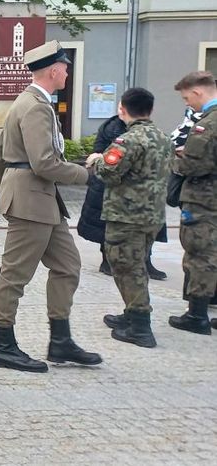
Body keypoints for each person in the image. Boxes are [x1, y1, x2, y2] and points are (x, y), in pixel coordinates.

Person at [0, 41, 100, 373]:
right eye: (64, 67)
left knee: (67, 266)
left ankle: (60, 340)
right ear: (53, 70)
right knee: (15, 274)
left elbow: (1, 153)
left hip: (42, 200)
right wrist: (86, 175)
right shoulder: (35, 106)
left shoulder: (31, 102)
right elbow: (44, 163)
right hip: (31, 199)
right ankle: (2, 346)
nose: (67, 71)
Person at [85, 87, 172, 348]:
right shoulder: (163, 137)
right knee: (138, 265)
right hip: (152, 215)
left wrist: (96, 159)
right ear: (151, 109)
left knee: (126, 267)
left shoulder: (128, 140)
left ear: (122, 109)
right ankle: (132, 313)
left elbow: (109, 171)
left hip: (127, 216)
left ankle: (140, 327)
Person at [77, 115, 169, 279]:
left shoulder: (151, 133)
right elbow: (103, 158)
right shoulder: (113, 129)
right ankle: (108, 261)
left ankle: (145, 262)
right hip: (110, 187)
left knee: (144, 231)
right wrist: (99, 160)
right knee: (108, 229)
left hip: (145, 191)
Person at [166, 71, 217, 334]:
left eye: (187, 98)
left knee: (200, 255)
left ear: (198, 92)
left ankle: (197, 315)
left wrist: (177, 158)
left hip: (204, 201)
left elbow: (194, 166)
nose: (188, 104)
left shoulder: (206, 125)